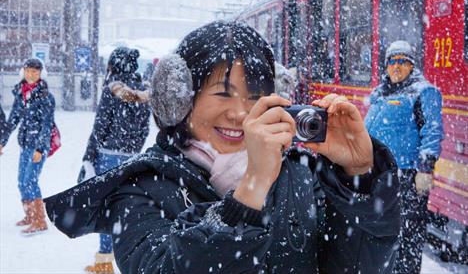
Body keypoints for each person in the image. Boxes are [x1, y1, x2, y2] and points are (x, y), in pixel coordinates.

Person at [45, 21, 400, 273]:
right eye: (222, 93)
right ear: (180, 98)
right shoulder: (141, 190)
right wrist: (250, 192)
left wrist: (358, 179)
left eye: (255, 96)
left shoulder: (298, 175)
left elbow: (356, 266)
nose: (241, 113)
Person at [365, 40, 444, 274]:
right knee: (381, 230)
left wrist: (425, 168)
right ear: (386, 65)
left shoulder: (423, 91)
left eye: (402, 61)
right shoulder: (380, 93)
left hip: (407, 174)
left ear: (411, 65)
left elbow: (432, 130)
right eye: (392, 61)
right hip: (380, 173)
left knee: (408, 233)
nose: (396, 67)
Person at [78, 47, 151, 274]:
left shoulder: (112, 90)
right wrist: (133, 150)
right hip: (132, 157)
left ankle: (104, 263)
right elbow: (145, 127)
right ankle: (127, 260)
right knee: (126, 209)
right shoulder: (144, 91)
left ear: (114, 65)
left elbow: (100, 126)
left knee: (107, 209)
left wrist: (89, 154)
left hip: (108, 155)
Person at [0, 58, 55, 235]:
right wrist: (2, 141)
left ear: (41, 74)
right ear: (23, 72)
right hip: (25, 144)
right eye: (29, 71)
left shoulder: (46, 96)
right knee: (22, 182)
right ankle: (30, 215)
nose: (31, 74)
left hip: (38, 146)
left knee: (31, 181)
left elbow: (47, 125)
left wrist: (40, 148)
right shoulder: (21, 93)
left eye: (35, 72)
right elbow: (12, 120)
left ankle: (40, 221)